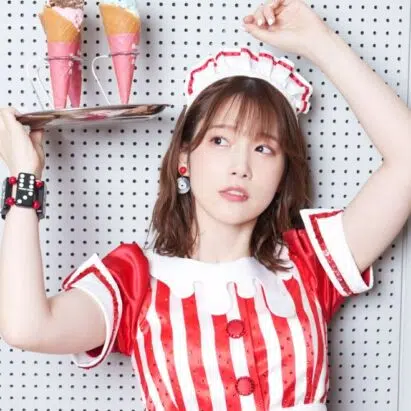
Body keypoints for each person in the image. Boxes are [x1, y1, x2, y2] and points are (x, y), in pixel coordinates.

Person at [0, 0, 410, 410]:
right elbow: (26, 327)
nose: (240, 167)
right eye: (219, 140)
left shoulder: (309, 263)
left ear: (283, 172)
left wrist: (319, 42)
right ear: (185, 158)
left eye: (264, 148)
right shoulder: (135, 282)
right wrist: (24, 178)